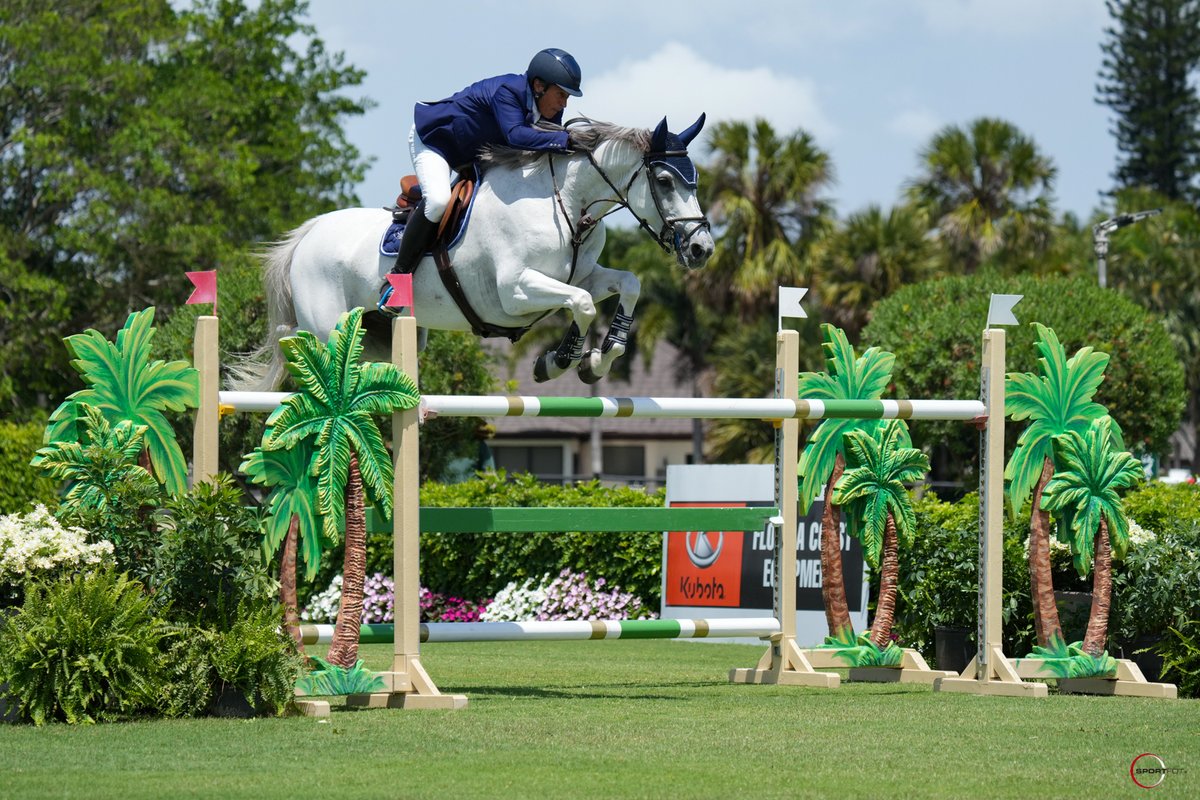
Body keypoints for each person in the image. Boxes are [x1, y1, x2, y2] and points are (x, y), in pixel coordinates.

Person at [379, 48, 584, 314]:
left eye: (567, 97)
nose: (564, 105)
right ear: (538, 86)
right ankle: (397, 281)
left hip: (474, 154)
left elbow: (545, 147)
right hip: (435, 142)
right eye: (561, 95)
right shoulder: (507, 92)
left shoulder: (548, 109)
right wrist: (565, 139)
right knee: (439, 200)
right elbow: (517, 137)